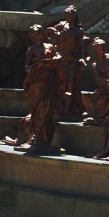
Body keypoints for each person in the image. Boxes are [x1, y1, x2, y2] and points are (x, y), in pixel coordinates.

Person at [18, 23, 63, 154]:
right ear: (32, 36)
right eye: (35, 34)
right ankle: (36, 137)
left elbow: (59, 57)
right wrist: (37, 65)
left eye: (40, 33)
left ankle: (45, 140)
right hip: (37, 84)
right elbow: (27, 67)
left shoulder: (50, 47)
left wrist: (53, 60)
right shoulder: (31, 50)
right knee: (38, 110)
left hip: (50, 82)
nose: (39, 36)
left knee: (49, 108)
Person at [53, 5, 90, 121]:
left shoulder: (79, 31)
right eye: (66, 15)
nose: (67, 17)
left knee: (72, 83)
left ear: (74, 16)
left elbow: (82, 48)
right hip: (60, 61)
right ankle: (59, 108)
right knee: (58, 84)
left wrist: (82, 58)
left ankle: (71, 108)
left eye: (70, 15)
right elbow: (51, 36)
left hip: (72, 62)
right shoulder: (60, 26)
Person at [84, 38, 109, 126]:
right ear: (95, 50)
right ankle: (103, 115)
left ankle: (105, 115)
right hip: (106, 86)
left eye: (103, 49)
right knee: (102, 98)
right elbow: (98, 79)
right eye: (100, 49)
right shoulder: (95, 64)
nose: (102, 51)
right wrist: (107, 81)